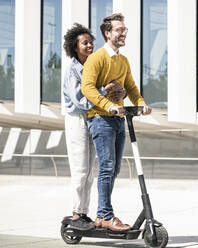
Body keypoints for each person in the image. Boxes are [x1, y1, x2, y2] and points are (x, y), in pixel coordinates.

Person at [81, 13, 152, 231]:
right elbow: (88, 88)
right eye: (119, 30)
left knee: (115, 168)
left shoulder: (122, 60)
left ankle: (104, 214)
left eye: (124, 29)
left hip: (119, 119)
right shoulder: (97, 58)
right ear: (107, 32)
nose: (124, 33)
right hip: (101, 118)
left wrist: (141, 103)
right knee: (107, 167)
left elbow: (130, 86)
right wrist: (109, 105)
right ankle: (104, 215)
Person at [62, 23, 126, 231]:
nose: (90, 46)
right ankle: (77, 213)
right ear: (74, 47)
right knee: (81, 168)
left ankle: (84, 213)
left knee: (92, 170)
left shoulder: (93, 64)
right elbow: (81, 99)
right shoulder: (73, 70)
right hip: (78, 118)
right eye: (84, 43)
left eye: (90, 42)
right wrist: (104, 90)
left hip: (94, 116)